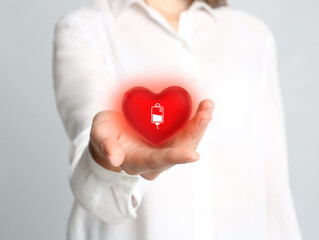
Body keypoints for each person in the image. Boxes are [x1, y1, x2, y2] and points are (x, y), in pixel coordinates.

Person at [53, 0, 303, 239]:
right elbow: (96, 187)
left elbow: (273, 181)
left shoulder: (253, 35)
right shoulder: (85, 29)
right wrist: (106, 162)